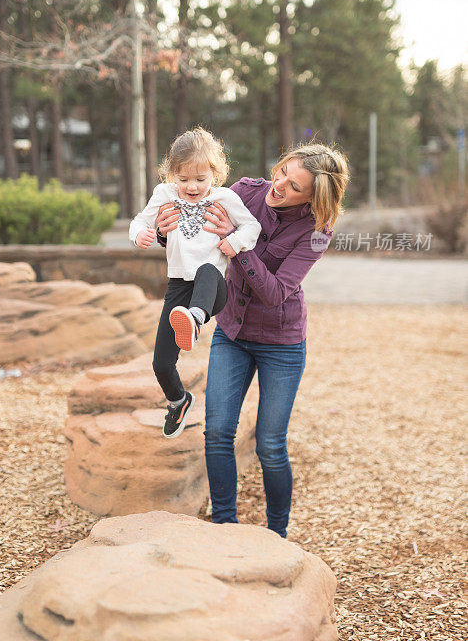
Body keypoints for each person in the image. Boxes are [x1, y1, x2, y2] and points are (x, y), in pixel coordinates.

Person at [156, 142, 350, 536]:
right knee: (218, 433)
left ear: (314, 197)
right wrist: (163, 234)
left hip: (282, 343)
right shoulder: (243, 192)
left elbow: (277, 291)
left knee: (270, 446)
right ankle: (226, 526)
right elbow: (193, 234)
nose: (278, 185)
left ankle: (277, 534)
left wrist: (238, 244)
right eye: (281, 172)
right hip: (233, 331)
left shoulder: (317, 232)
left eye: (294, 186)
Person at [129, 127, 261, 439]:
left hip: (213, 287)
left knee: (205, 270)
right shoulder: (164, 194)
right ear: (171, 172)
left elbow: (252, 227)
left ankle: (196, 318)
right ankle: (178, 400)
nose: (191, 186)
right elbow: (139, 221)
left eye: (200, 179)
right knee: (161, 363)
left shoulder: (225, 197)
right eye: (184, 178)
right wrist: (141, 235)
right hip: (178, 288)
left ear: (215, 173)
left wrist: (234, 242)